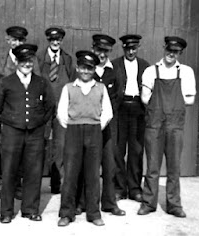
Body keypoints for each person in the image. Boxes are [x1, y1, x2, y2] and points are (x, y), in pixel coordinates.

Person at [0, 44, 55, 224]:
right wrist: (4, 126)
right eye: (23, 61)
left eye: (30, 60)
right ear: (16, 61)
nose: (27, 64)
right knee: (9, 171)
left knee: (34, 171)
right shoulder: (5, 82)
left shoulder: (41, 83)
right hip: (12, 133)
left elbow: (50, 106)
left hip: (35, 133)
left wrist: (40, 122)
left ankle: (30, 209)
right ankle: (6, 211)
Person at [138, 36, 196, 218]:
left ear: (180, 53)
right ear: (164, 49)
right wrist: (158, 108)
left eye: (176, 52)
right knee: (152, 166)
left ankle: (174, 205)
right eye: (169, 50)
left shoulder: (186, 72)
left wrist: (172, 107)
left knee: (174, 167)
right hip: (154, 125)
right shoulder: (150, 71)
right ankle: (148, 203)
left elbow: (189, 98)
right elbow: (145, 98)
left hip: (175, 125)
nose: (172, 54)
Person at [57, 50, 113, 227]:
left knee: (93, 175)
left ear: (94, 69)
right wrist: (75, 125)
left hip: (94, 132)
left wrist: (95, 126)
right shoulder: (68, 88)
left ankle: (93, 213)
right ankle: (67, 213)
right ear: (77, 68)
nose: (86, 71)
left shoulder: (101, 88)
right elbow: (61, 114)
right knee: (71, 173)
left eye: (89, 68)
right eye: (82, 68)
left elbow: (108, 113)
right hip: (73, 131)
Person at [74, 34, 125, 216]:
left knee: (109, 164)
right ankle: (82, 202)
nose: (101, 54)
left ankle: (109, 203)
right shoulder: (86, 71)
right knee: (85, 164)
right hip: (88, 125)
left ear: (109, 51)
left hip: (109, 126)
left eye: (105, 51)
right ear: (93, 49)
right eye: (98, 50)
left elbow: (117, 98)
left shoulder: (114, 71)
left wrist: (105, 118)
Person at [0, 26, 37, 200]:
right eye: (14, 39)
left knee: (19, 150)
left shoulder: (31, 61)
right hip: (4, 114)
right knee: (1, 150)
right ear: (7, 40)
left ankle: (16, 185)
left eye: (20, 40)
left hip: (21, 115)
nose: (17, 43)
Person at [113, 34, 150, 202]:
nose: (131, 51)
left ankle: (135, 188)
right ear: (123, 48)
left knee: (136, 150)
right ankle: (119, 188)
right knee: (118, 150)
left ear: (138, 48)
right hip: (121, 108)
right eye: (128, 48)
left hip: (138, 109)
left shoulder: (145, 66)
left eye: (134, 48)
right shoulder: (115, 65)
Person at [37, 27, 73, 194]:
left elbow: (73, 84)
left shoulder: (67, 60)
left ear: (62, 41)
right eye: (52, 40)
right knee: (39, 145)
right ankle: (34, 184)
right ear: (48, 41)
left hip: (61, 109)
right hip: (43, 109)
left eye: (58, 40)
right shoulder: (39, 58)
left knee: (61, 146)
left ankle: (58, 184)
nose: (56, 42)